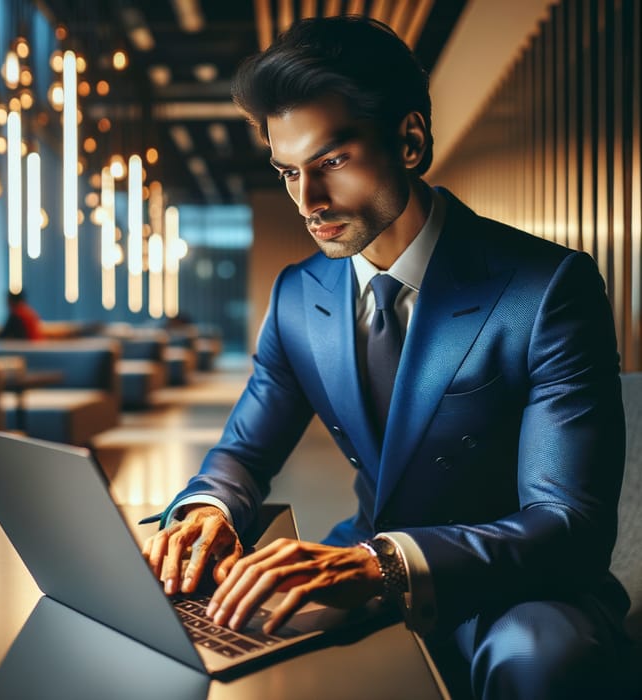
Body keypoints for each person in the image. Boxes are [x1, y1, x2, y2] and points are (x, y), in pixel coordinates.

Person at [142, 16, 631, 698]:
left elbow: (568, 527)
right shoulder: (297, 296)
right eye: (288, 172)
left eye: (332, 162)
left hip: (513, 588)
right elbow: (244, 455)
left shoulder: (547, 288)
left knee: (541, 657)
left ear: (409, 140)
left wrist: (385, 565)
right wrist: (208, 513)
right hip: (358, 565)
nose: (308, 203)